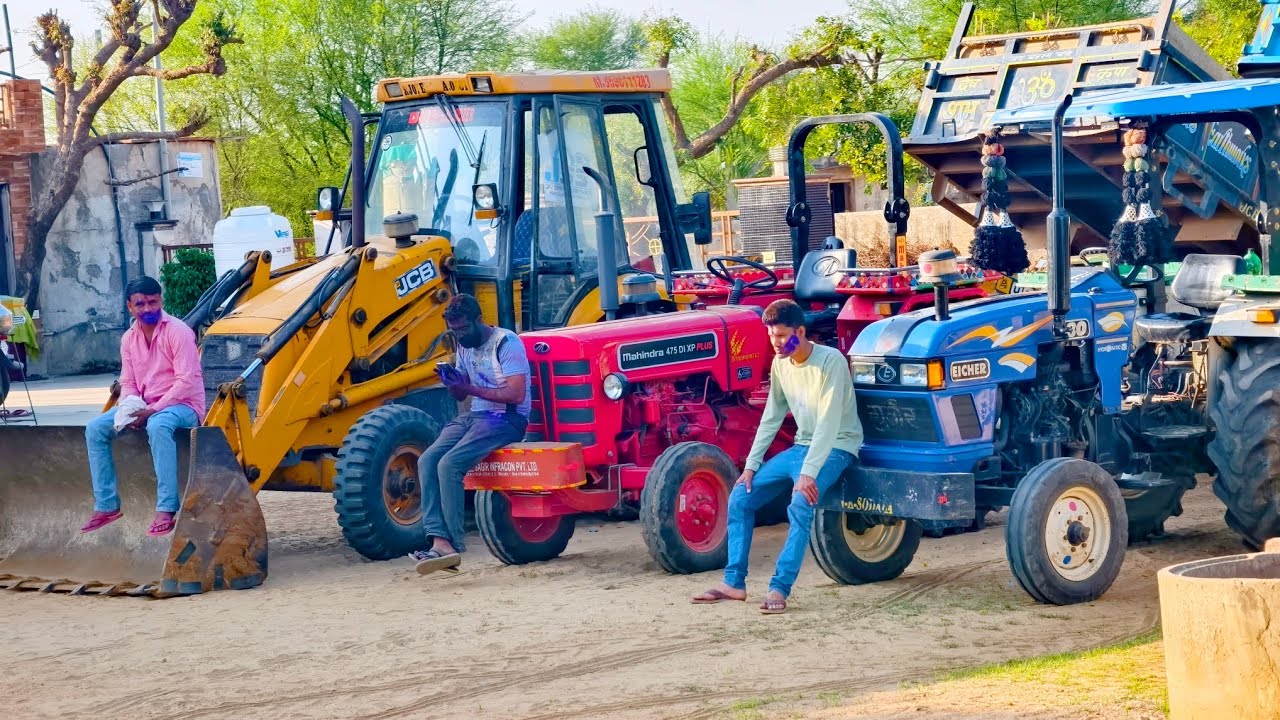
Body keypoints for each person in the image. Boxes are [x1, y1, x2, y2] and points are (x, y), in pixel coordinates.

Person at [691, 298, 863, 614]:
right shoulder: (780, 364)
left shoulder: (831, 361)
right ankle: (734, 583)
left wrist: (810, 472)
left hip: (836, 447)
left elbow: (828, 421)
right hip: (801, 448)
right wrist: (751, 467)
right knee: (741, 497)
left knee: (800, 503)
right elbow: (771, 416)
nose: (777, 343)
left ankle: (779, 588)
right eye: (772, 337)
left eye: (782, 336)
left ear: (800, 330)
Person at [410, 293, 530, 574]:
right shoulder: (464, 347)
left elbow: (516, 393)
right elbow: (461, 393)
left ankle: (450, 543)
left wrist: (470, 389)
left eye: (463, 329)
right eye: (454, 331)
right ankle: (438, 540)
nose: (460, 335)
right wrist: (453, 384)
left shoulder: (506, 342)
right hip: (477, 415)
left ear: (479, 320)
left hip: (507, 418)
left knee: (449, 465)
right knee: (427, 460)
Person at [79, 276, 205, 536]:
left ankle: (167, 507)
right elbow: (128, 382)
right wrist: (128, 410)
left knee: (158, 424)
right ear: (129, 306)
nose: (147, 308)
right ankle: (107, 506)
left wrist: (153, 410)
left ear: (161, 300)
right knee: (95, 428)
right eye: (140, 304)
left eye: (152, 302)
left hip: (184, 406)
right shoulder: (128, 339)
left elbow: (186, 381)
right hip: (146, 405)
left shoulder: (178, 332)